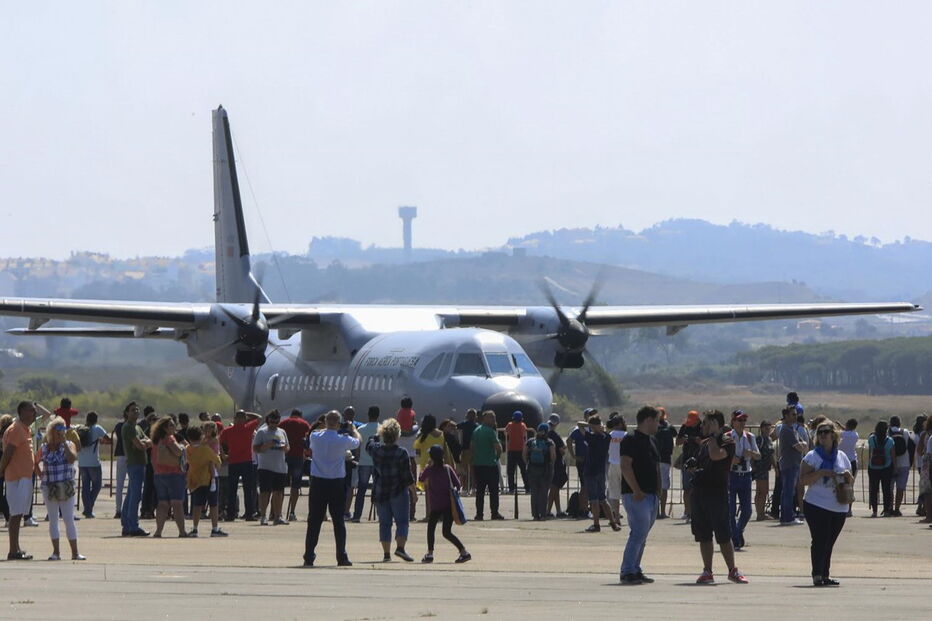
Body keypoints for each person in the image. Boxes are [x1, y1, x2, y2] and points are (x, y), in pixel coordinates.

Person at [689, 410, 748, 584]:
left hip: (717, 493)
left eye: (707, 423)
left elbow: (716, 456)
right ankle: (707, 570)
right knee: (704, 535)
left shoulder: (726, 441)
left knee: (723, 534)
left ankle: (732, 570)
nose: (703, 426)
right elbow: (700, 463)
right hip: (700, 493)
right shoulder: (704, 444)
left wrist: (714, 436)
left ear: (716, 424)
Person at [304, 410, 360, 567]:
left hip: (318, 483)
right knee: (338, 522)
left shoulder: (315, 436)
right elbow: (357, 442)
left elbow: (314, 434)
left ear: (326, 421)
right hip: (336, 483)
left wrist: (329, 426)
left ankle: (309, 555)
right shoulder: (342, 440)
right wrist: (352, 429)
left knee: (314, 521)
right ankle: (341, 556)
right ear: (339, 422)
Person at [800, 422, 853, 586]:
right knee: (820, 540)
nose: (823, 435)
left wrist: (846, 476)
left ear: (833, 435)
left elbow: (850, 479)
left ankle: (825, 574)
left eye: (826, 432)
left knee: (829, 542)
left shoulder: (842, 456)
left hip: (838, 506)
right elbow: (802, 480)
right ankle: (817, 574)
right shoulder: (812, 456)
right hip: (816, 504)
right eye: (820, 432)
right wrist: (822, 472)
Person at [618, 406, 660, 585]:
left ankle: (635, 568)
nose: (658, 424)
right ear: (648, 420)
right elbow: (625, 465)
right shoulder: (630, 440)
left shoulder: (651, 441)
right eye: (657, 420)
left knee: (642, 535)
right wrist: (636, 490)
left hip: (651, 495)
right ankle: (627, 571)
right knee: (638, 533)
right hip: (637, 495)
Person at [34, 416, 85, 561]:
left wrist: (64, 443)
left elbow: (71, 459)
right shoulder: (44, 448)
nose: (61, 433)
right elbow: (35, 462)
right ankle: (56, 552)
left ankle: (75, 552)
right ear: (51, 431)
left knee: (69, 519)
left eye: (63, 429)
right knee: (53, 519)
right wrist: (41, 476)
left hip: (66, 487)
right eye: (58, 430)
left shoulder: (69, 444)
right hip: (49, 487)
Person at [366, 418, 416, 562]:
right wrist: (413, 492)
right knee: (402, 521)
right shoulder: (402, 452)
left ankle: (386, 554)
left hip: (381, 490)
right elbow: (408, 476)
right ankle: (400, 548)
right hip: (398, 491)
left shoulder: (376, 450)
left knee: (385, 523)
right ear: (397, 435)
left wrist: (374, 436)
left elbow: (369, 444)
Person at [418, 444, 471, 564]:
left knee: (431, 529)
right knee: (446, 532)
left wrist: (426, 467)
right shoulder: (447, 468)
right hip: (448, 505)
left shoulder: (429, 470)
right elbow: (457, 484)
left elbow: (421, 479)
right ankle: (463, 552)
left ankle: (430, 553)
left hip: (436, 506)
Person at [1, 401, 38, 559]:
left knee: (19, 514)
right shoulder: (16, 429)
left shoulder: (25, 429)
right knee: (15, 515)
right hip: (17, 478)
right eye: (32, 411)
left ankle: (16, 547)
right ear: (22, 411)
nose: (34, 414)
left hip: (23, 477)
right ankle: (12, 551)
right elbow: (8, 453)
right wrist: (1, 470)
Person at [578, 415, 621, 532]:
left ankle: (596, 524)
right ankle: (613, 522)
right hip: (601, 471)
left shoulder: (591, 437)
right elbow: (607, 432)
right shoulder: (606, 437)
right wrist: (599, 427)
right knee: (602, 498)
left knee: (594, 499)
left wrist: (590, 426)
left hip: (590, 470)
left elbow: (579, 424)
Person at [184, 425, 227, 537]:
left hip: (195, 479)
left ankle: (195, 528)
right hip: (209, 479)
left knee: (197, 504)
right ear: (201, 436)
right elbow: (217, 461)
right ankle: (214, 528)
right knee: (213, 504)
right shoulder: (205, 449)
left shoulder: (188, 449)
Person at [220, 409, 262, 522]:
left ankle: (231, 515)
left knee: (232, 490)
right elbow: (259, 417)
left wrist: (223, 455)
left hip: (234, 461)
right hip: (245, 462)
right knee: (247, 490)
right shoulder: (248, 428)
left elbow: (219, 441)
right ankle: (249, 514)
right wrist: (247, 414)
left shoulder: (228, 430)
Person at [149, 416, 187, 538]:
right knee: (177, 503)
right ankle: (182, 531)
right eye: (171, 425)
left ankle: (158, 531)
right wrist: (183, 447)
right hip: (173, 474)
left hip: (159, 474)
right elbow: (178, 452)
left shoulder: (155, 440)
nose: (174, 427)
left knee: (162, 503)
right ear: (165, 428)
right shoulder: (169, 439)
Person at [727, 410, 759, 550]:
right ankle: (735, 538)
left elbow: (758, 455)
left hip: (746, 476)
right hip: (731, 476)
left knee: (747, 510)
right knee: (730, 510)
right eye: (739, 420)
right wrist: (731, 459)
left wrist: (750, 453)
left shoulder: (750, 437)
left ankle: (738, 532)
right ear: (733, 422)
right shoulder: (727, 437)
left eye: (744, 421)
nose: (742, 423)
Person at [254, 410, 290, 525]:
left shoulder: (282, 432)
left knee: (278, 492)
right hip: (266, 466)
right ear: (268, 420)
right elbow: (255, 448)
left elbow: (288, 447)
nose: (274, 423)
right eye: (271, 421)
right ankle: (263, 515)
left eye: (276, 421)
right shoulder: (262, 432)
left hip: (280, 466)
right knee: (265, 492)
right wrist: (267, 445)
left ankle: (277, 516)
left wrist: (284, 448)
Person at [120, 402, 151, 537]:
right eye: (133, 410)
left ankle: (127, 524)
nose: (136, 412)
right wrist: (145, 443)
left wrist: (145, 442)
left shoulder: (137, 427)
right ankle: (133, 525)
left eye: (137, 410)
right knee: (135, 496)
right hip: (135, 463)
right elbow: (141, 446)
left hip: (140, 463)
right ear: (127, 413)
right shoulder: (128, 427)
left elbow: (148, 440)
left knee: (131, 495)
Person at [76, 411, 111, 518]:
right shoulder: (97, 428)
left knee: (85, 486)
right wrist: (100, 440)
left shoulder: (80, 429)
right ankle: (88, 508)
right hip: (94, 462)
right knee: (97, 485)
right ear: (96, 419)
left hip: (82, 462)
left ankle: (88, 509)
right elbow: (109, 439)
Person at [778, 406, 809, 525]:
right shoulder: (786, 429)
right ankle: (787, 517)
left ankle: (786, 516)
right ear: (786, 416)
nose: (796, 417)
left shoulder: (793, 429)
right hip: (789, 464)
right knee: (788, 492)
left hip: (795, 464)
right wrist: (802, 445)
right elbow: (800, 447)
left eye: (796, 414)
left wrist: (802, 445)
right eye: (793, 414)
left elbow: (805, 444)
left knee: (789, 491)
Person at [472, 410, 505, 521]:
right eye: (492, 417)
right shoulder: (490, 432)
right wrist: (497, 457)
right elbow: (498, 448)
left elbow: (472, 446)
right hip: (490, 465)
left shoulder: (476, 431)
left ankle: (479, 514)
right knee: (493, 491)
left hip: (478, 464)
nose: (494, 420)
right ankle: (494, 513)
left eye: (494, 417)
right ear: (485, 418)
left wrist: (475, 458)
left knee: (480, 491)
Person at [279, 409, 311, 522]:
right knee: (295, 485)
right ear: (300, 415)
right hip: (298, 457)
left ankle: (277, 512)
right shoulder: (305, 424)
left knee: (280, 486)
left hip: (285, 457)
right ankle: (292, 512)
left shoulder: (283, 423)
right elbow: (308, 441)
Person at [351, 406, 381, 522]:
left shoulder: (361, 429)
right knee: (379, 489)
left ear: (368, 414)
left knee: (361, 490)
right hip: (378, 462)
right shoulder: (382, 429)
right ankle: (380, 514)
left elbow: (357, 447)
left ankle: (357, 515)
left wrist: (358, 458)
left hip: (364, 462)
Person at [523, 423, 556, 520]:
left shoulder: (530, 441)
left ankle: (535, 515)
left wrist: (528, 463)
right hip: (545, 469)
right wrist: (551, 466)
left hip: (532, 469)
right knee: (543, 492)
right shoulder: (549, 442)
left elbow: (524, 454)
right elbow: (553, 456)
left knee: (534, 492)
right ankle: (543, 514)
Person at [676, 410, 702, 521]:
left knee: (698, 488)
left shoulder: (702, 427)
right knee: (687, 488)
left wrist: (697, 440)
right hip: (686, 460)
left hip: (699, 460)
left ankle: (698, 512)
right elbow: (677, 442)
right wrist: (683, 440)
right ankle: (687, 512)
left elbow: (705, 441)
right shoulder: (685, 427)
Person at [867, 420, 894, 517]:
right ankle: (886, 511)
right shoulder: (890, 441)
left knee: (874, 489)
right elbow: (892, 456)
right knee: (886, 489)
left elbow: (870, 453)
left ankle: (874, 511)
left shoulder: (871, 439)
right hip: (886, 467)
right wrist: (894, 467)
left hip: (873, 467)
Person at [889, 416, 914, 517]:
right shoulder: (905, 432)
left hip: (890, 463)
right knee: (900, 488)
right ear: (900, 423)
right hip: (904, 463)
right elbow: (910, 445)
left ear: (890, 423)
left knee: (889, 488)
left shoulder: (888, 432)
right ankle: (897, 509)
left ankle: (889, 507)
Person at [654, 408, 676, 519]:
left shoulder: (653, 428)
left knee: (658, 486)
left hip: (656, 459)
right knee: (663, 487)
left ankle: (658, 511)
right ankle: (661, 511)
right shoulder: (667, 428)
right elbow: (674, 432)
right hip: (663, 460)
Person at [546, 413, 568, 518]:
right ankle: (548, 510)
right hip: (557, 463)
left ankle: (558, 511)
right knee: (554, 488)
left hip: (548, 463)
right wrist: (565, 449)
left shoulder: (545, 434)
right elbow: (562, 451)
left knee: (555, 489)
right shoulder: (555, 435)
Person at [753, 420, 776, 521]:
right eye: (766, 428)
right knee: (761, 491)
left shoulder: (769, 439)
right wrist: (753, 466)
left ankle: (761, 513)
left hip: (766, 468)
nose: (768, 430)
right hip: (760, 468)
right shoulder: (760, 439)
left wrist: (775, 467)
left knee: (763, 491)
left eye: (769, 428)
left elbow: (771, 454)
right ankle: (760, 514)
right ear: (761, 428)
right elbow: (755, 453)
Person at [566, 409, 591, 503]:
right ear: (585, 417)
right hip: (583, 460)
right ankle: (582, 508)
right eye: (589, 415)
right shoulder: (578, 430)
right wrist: (573, 456)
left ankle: (586, 506)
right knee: (584, 485)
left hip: (592, 461)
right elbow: (569, 441)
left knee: (589, 485)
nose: (591, 417)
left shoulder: (594, 428)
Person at [606, 416, 627, 523]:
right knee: (627, 492)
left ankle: (616, 517)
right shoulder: (626, 436)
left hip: (612, 464)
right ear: (619, 424)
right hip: (624, 465)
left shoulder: (609, 435)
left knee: (614, 493)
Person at [504, 411, 530, 494]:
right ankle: (527, 488)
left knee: (510, 471)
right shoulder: (523, 425)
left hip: (511, 450)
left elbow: (505, 432)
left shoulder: (510, 424)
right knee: (524, 470)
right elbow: (525, 435)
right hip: (521, 450)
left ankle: (511, 488)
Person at [838, 419, 859, 517]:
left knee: (840, 484)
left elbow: (842, 432)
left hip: (842, 461)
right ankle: (849, 509)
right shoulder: (855, 435)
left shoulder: (842, 434)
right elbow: (847, 431)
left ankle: (840, 506)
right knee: (850, 485)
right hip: (853, 461)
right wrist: (841, 425)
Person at [456, 409, 479, 493]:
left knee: (464, 469)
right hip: (474, 450)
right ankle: (473, 487)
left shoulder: (464, 424)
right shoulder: (477, 426)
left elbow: (456, 426)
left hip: (465, 449)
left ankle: (465, 487)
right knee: (473, 469)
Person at [111, 410, 128, 519]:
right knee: (128, 484)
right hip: (126, 455)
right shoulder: (130, 426)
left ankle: (119, 510)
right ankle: (122, 509)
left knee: (120, 485)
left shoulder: (119, 426)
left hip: (121, 455)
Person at [0, 415, 13, 527]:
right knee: (9, 493)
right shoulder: (11, 433)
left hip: (2, 465)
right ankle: (9, 518)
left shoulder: (3, 433)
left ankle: (9, 517)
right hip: (9, 465)